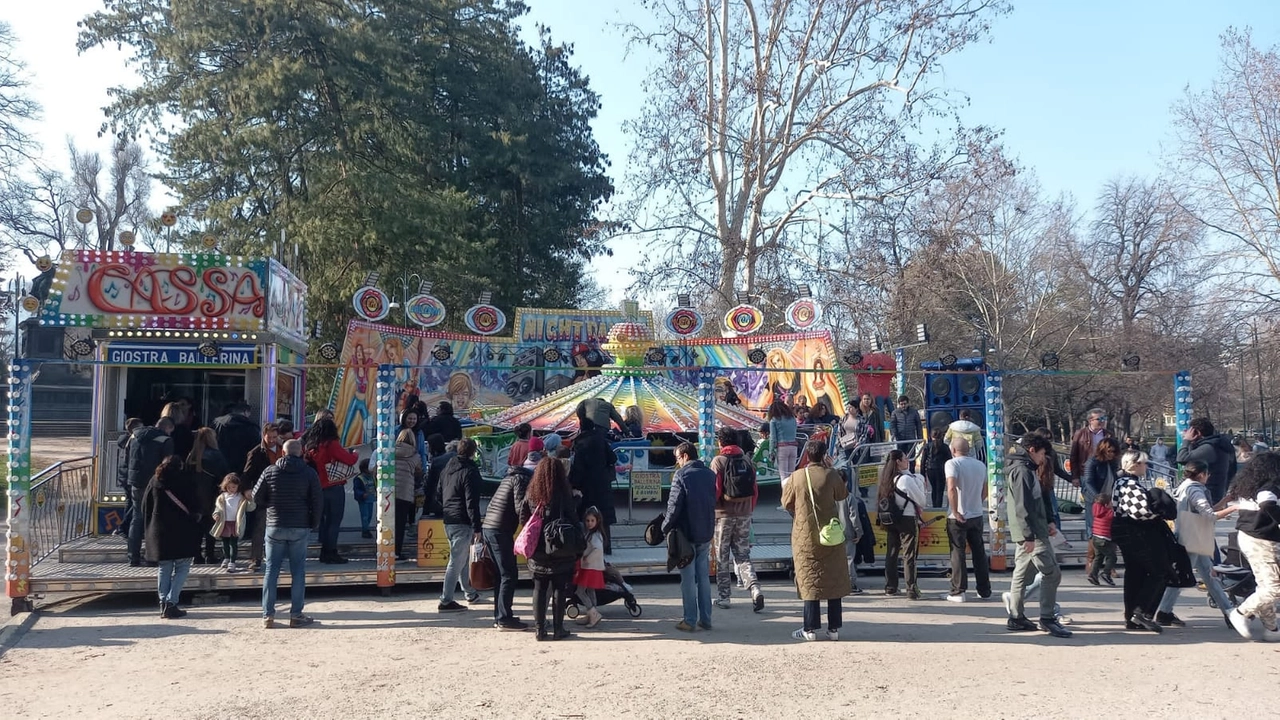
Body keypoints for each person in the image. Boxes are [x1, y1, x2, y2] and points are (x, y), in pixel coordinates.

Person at [782, 440, 851, 641]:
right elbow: (842, 494)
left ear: (807, 456)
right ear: (823, 455)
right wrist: (830, 469)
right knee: (833, 579)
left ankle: (809, 628)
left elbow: (785, 501)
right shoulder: (831, 475)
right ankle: (834, 629)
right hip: (831, 533)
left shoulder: (797, 477)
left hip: (805, 536)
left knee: (809, 579)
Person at [1003, 435, 1071, 638]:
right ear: (1032, 450)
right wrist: (1028, 535)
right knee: (1052, 573)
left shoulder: (1024, 469)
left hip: (1031, 530)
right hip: (1032, 532)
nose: (1043, 458)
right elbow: (1023, 505)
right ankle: (1047, 617)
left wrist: (1049, 519)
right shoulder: (1023, 471)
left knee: (1021, 575)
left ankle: (1016, 617)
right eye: (1042, 453)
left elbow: (1036, 499)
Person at [1156, 460, 1237, 627]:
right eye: (1207, 474)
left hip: (1188, 536)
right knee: (1187, 577)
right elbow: (1209, 515)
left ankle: (1229, 611)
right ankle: (1229, 613)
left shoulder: (1185, 487)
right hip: (1194, 539)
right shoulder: (1196, 490)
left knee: (1205, 575)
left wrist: (1224, 501)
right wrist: (1234, 508)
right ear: (1201, 474)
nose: (1208, 477)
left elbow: (1204, 511)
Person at [254, 439, 323, 629]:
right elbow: (317, 499)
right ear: (301, 453)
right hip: (300, 526)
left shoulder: (270, 471)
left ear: (283, 453)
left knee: (271, 570)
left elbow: (256, 496)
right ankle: (296, 615)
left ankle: (268, 615)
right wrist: (313, 523)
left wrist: (271, 504)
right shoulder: (309, 473)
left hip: (275, 524)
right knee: (298, 571)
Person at [520, 456, 581, 641]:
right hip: (560, 548)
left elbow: (523, 516)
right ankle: (558, 628)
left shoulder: (532, 493)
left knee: (539, 588)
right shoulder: (564, 494)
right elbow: (573, 519)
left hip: (538, 549)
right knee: (559, 589)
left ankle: (539, 629)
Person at [1110, 451, 1171, 632]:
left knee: (1135, 574)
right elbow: (1140, 512)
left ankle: (1133, 617)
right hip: (1136, 532)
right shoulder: (1129, 484)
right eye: (1144, 463)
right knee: (1160, 571)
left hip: (1126, 531)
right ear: (1134, 465)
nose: (1146, 466)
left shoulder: (1122, 481)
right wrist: (1160, 512)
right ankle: (1142, 612)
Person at [1225, 451, 1280, 642]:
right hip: (1262, 540)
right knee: (1274, 588)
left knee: (1265, 584)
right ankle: (1240, 613)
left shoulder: (1248, 486)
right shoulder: (1269, 488)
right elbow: (1267, 504)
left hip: (1248, 536)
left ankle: (1271, 627)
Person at [663, 442, 716, 633]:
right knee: (703, 578)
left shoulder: (681, 475)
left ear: (685, 456)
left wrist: (664, 527)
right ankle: (706, 618)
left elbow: (674, 505)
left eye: (677, 458)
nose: (677, 462)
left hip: (686, 534)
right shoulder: (710, 474)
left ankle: (690, 619)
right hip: (705, 532)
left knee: (687, 579)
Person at [709, 426, 763, 612]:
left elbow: (715, 491)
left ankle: (724, 597)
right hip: (744, 515)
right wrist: (748, 509)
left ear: (720, 442)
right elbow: (754, 491)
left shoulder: (718, 461)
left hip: (723, 516)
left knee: (722, 557)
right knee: (743, 555)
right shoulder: (747, 461)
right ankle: (754, 588)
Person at [142, 456, 202, 619]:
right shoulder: (185, 479)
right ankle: (171, 602)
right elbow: (195, 504)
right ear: (180, 466)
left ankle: (163, 603)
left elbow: (145, 506)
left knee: (164, 567)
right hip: (182, 530)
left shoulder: (155, 480)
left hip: (159, 531)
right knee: (183, 566)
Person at [481, 453, 533, 631]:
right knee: (509, 574)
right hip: (500, 530)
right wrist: (530, 526)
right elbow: (520, 508)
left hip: (490, 527)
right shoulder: (521, 480)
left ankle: (500, 615)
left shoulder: (508, 478)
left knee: (501, 575)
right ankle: (504, 618)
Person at [301, 418, 358, 564]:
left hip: (318, 486)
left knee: (325, 522)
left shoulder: (311, 445)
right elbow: (349, 460)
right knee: (334, 521)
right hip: (334, 486)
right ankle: (331, 553)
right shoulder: (331, 443)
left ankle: (324, 553)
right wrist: (355, 454)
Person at [437, 437, 483, 612]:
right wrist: (477, 526)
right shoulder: (470, 471)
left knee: (461, 559)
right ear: (473, 452)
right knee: (456, 562)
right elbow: (472, 501)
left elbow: (438, 494)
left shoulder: (447, 469)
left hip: (449, 519)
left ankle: (469, 592)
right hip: (462, 520)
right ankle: (446, 600)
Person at [944, 437, 990, 602]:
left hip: (958, 515)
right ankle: (984, 590)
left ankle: (958, 591)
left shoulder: (952, 464)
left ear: (953, 450)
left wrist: (955, 510)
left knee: (958, 552)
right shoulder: (980, 465)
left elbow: (951, 487)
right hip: (976, 514)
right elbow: (986, 488)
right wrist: (977, 501)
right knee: (979, 553)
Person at [126, 417, 175, 566]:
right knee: (153, 519)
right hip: (154, 483)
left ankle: (133, 557)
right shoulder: (165, 440)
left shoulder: (134, 435)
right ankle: (151, 557)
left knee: (137, 518)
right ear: (167, 428)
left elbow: (127, 459)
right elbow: (167, 465)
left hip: (135, 482)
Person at [878, 449, 926, 598]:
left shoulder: (886, 478)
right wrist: (919, 482)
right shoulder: (906, 480)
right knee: (909, 555)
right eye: (905, 458)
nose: (908, 461)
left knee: (891, 553)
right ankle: (911, 588)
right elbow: (922, 501)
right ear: (898, 462)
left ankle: (890, 587)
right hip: (907, 518)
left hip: (891, 519)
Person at [568, 416, 618, 553]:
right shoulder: (601, 440)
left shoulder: (580, 443)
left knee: (587, 517)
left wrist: (574, 484)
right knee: (604, 517)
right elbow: (613, 458)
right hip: (603, 483)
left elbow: (578, 468)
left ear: (581, 428)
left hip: (587, 485)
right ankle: (607, 547)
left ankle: (589, 547)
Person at [241, 422, 282, 570]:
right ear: (263, 435)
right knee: (260, 527)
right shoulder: (256, 452)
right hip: (265, 495)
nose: (271, 440)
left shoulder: (283, 449)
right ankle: (256, 558)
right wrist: (246, 489)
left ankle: (276, 557)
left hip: (282, 494)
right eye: (269, 437)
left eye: (274, 437)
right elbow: (247, 473)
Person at [188, 427, 230, 565]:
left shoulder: (192, 456)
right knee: (211, 526)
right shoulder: (216, 455)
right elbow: (224, 475)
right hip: (212, 495)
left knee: (196, 528)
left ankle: (196, 555)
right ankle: (209, 555)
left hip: (194, 496)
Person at [1177, 417, 1235, 504]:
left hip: (1204, 495)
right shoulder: (1219, 444)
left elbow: (1182, 458)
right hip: (1215, 492)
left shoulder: (1209, 448)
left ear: (1198, 433)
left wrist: (1186, 441)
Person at [1081, 437, 1121, 554]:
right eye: (1109, 451)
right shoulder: (1092, 462)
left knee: (1109, 529)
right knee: (1093, 529)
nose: (1112, 454)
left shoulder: (1112, 463)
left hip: (1109, 499)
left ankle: (1109, 562)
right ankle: (1092, 560)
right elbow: (1088, 481)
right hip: (1094, 499)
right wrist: (1097, 497)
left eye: (1114, 451)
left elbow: (1115, 479)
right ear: (1102, 450)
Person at [210, 473, 255, 571]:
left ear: (238, 486)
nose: (231, 489)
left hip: (235, 524)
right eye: (229, 487)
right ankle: (226, 558)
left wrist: (250, 499)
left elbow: (250, 508)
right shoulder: (222, 497)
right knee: (225, 542)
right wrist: (216, 514)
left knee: (233, 543)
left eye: (233, 487)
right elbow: (218, 508)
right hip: (224, 523)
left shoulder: (241, 497)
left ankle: (232, 561)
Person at [573, 506, 608, 629]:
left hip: (589, 566)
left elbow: (597, 549)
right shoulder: (596, 534)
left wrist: (587, 558)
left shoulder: (594, 535)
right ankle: (592, 613)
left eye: (592, 521)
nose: (589, 523)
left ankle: (592, 613)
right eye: (587, 521)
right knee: (590, 590)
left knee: (580, 591)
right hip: (593, 566)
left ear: (597, 521)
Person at [393, 429, 424, 561]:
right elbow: (419, 471)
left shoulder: (390, 451)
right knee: (400, 524)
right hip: (405, 492)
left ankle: (384, 549)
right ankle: (397, 552)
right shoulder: (415, 455)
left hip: (389, 491)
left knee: (386, 522)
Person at [212, 402, 260, 479]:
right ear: (245, 412)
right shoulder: (251, 427)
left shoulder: (217, 423)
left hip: (219, 464)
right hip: (241, 467)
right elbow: (255, 450)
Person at [114, 418, 144, 537]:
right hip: (130, 477)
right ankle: (123, 527)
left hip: (124, 476)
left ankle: (124, 528)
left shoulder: (125, 440)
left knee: (130, 503)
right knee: (134, 504)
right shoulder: (134, 441)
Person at [1085, 485, 1118, 587]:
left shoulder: (1096, 511)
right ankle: (1106, 573)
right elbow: (1116, 517)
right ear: (1107, 504)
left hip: (1095, 538)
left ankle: (1093, 574)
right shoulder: (1109, 513)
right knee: (1112, 557)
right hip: (1104, 539)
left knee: (1099, 557)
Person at [767, 401, 799, 484]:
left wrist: (771, 452)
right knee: (791, 475)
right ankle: (793, 494)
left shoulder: (774, 420)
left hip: (782, 448)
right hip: (794, 447)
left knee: (783, 476)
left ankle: (786, 495)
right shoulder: (792, 418)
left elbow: (773, 438)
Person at [423, 433, 453, 519]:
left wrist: (426, 509)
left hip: (438, 499)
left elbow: (430, 485)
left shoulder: (437, 461)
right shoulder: (450, 458)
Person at [889, 395, 922, 470]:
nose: (903, 406)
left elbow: (918, 425)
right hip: (900, 439)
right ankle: (902, 472)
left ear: (908, 403)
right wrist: (894, 434)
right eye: (901, 404)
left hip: (911, 439)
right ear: (899, 404)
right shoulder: (895, 413)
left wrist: (920, 437)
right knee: (900, 458)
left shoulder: (914, 412)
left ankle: (912, 472)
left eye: (905, 404)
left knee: (912, 458)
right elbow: (892, 425)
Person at [920, 431, 952, 508]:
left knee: (933, 489)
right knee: (940, 490)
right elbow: (949, 460)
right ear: (942, 436)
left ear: (931, 437)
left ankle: (934, 507)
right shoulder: (945, 447)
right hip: (941, 470)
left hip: (930, 469)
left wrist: (923, 474)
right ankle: (939, 507)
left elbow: (923, 461)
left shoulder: (927, 446)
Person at [837, 401, 872, 472]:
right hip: (845, 445)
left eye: (851, 407)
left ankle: (857, 482)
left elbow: (864, 433)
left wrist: (859, 443)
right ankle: (848, 482)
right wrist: (840, 441)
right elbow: (839, 430)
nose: (849, 409)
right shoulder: (844, 418)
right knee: (846, 467)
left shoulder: (861, 419)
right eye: (848, 407)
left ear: (856, 409)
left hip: (856, 447)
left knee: (857, 467)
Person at [353, 459, 376, 539]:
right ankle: (365, 530)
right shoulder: (359, 478)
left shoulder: (372, 477)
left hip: (371, 499)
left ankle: (367, 528)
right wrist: (362, 494)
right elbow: (356, 489)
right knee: (365, 516)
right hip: (363, 500)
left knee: (369, 515)